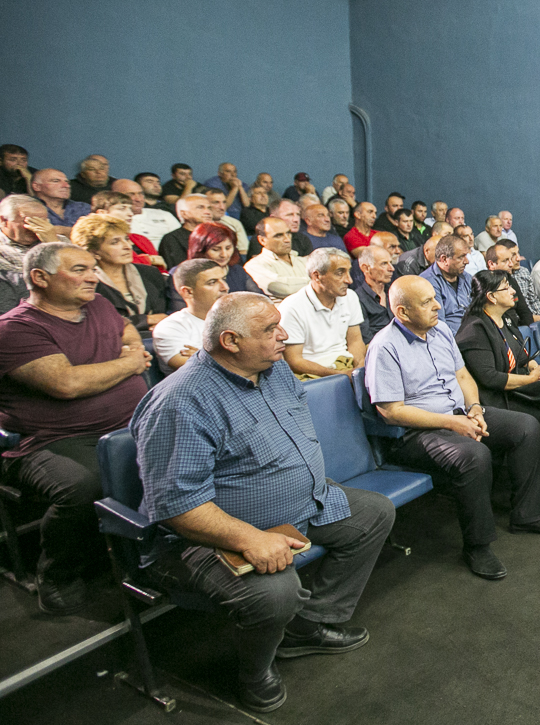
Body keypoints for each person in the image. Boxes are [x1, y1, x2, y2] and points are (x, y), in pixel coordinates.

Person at [133, 292, 393, 712]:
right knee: (275, 595)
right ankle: (254, 672)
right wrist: (249, 538)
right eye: (270, 329)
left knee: (374, 514)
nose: (284, 335)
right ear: (230, 341)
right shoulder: (182, 401)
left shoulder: (274, 370)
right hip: (211, 537)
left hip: (304, 504)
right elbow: (177, 505)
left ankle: (306, 628)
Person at [367, 276, 540, 581]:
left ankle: (527, 515)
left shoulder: (440, 332)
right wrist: (451, 422)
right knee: (475, 455)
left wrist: (474, 407)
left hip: (459, 413)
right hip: (416, 432)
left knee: (526, 426)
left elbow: (462, 376)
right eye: (426, 302)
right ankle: (478, 546)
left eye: (435, 297)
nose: (438, 306)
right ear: (402, 312)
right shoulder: (384, 347)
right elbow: (391, 412)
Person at [0, 242, 151, 614]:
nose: (93, 277)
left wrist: (130, 348)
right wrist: (131, 364)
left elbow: (126, 328)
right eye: (80, 270)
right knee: (85, 487)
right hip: (53, 439)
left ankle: (154, 556)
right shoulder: (16, 328)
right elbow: (66, 384)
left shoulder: (97, 305)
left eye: (93, 269)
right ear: (40, 277)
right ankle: (57, 574)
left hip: (129, 425)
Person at [455, 270, 540, 497]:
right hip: (492, 400)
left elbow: (521, 355)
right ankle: (522, 485)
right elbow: (490, 378)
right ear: (491, 297)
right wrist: (529, 379)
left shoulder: (506, 319)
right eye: (506, 287)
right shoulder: (475, 329)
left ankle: (534, 474)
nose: (512, 291)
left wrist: (535, 367)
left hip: (515, 392)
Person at [71, 214, 169, 333]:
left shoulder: (150, 273)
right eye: (115, 242)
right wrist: (146, 320)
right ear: (93, 252)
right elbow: (95, 323)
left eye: (126, 239)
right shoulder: (86, 281)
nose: (127, 246)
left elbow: (165, 314)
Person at [278, 248, 366, 379]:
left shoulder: (350, 297)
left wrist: (358, 369)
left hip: (345, 364)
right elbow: (294, 361)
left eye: (348, 272)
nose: (349, 280)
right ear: (317, 276)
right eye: (340, 273)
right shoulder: (292, 307)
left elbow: (355, 341)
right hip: (314, 373)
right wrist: (340, 376)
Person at [152, 259, 229, 373]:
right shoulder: (171, 327)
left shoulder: (239, 317)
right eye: (212, 282)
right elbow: (197, 371)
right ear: (187, 292)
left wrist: (205, 357)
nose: (225, 287)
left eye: (224, 279)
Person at [1, 195, 62, 314]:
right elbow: (21, 283)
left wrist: (53, 244)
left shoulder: (58, 241)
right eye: (29, 221)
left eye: (42, 221)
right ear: (4, 221)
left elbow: (78, 274)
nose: (35, 228)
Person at [89, 190, 167, 270]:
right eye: (122, 208)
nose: (130, 214)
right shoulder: (93, 240)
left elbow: (161, 268)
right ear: (102, 213)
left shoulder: (141, 239)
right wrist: (148, 260)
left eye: (130, 208)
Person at [186, 221, 262, 296]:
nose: (224, 255)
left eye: (228, 248)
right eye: (216, 249)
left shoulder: (237, 271)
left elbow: (260, 297)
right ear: (200, 250)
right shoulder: (187, 275)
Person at [244, 217, 309, 302]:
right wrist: (318, 282)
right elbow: (284, 288)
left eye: (288, 233)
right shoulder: (254, 265)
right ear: (262, 240)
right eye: (278, 236)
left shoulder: (305, 261)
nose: (287, 239)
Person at [419, 234, 473, 333]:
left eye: (466, 256)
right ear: (444, 259)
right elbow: (438, 325)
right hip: (451, 338)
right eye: (461, 257)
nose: (467, 261)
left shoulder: (467, 278)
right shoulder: (427, 283)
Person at [114, 178, 179, 250]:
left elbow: (180, 239)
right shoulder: (114, 219)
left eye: (140, 194)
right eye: (131, 195)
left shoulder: (164, 214)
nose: (138, 199)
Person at [484, 242, 539, 325]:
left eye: (510, 259)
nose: (511, 264)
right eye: (505, 261)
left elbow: (524, 311)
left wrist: (526, 329)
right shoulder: (485, 285)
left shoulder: (511, 279)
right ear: (491, 264)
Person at [30, 168, 91, 234]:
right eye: (56, 181)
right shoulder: (27, 209)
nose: (66, 186)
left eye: (67, 182)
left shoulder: (83, 207)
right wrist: (78, 231)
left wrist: (62, 230)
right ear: (37, 186)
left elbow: (96, 233)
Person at [355, 245, 395, 343]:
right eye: (384, 264)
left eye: (390, 263)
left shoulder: (394, 291)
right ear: (366, 268)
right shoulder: (357, 299)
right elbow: (366, 339)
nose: (391, 268)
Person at [246, 199, 310, 259]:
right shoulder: (262, 239)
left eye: (298, 214)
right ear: (274, 218)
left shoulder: (303, 240)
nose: (296, 220)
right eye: (289, 215)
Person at [203, 187, 251, 256]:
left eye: (224, 202)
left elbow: (244, 251)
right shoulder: (197, 224)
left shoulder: (234, 223)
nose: (222, 207)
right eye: (216, 202)